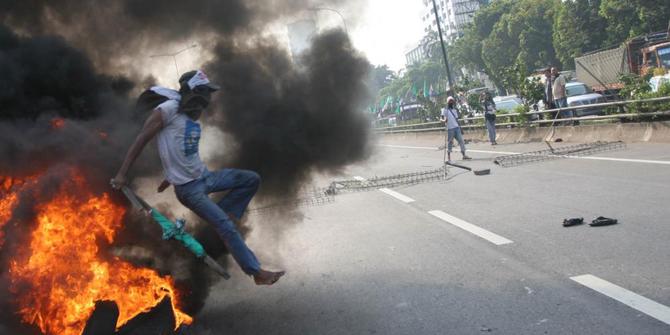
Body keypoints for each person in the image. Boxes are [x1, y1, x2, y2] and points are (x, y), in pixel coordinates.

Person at [112, 70, 285, 286]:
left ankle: (226, 216)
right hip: (189, 190)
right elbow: (141, 140)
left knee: (251, 179)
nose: (207, 99)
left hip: (205, 177)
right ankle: (256, 272)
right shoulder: (166, 111)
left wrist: (170, 175)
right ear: (192, 91)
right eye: (204, 92)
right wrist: (121, 174)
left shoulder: (189, 116)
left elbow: (182, 151)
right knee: (225, 226)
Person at [441, 96, 472, 163]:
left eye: (452, 101)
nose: (451, 102)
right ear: (447, 102)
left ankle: (464, 155)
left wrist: (460, 128)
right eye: (450, 101)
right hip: (450, 129)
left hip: (457, 128)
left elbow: (457, 120)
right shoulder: (445, 110)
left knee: (461, 141)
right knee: (450, 143)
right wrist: (443, 120)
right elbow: (443, 119)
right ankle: (449, 158)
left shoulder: (454, 110)